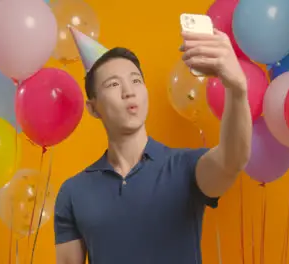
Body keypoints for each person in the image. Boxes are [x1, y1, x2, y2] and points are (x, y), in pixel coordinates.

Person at [54, 26, 252, 264]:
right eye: (113, 85)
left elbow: (233, 159)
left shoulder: (186, 167)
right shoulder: (73, 193)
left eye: (136, 80)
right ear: (93, 108)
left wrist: (237, 89)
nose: (129, 92)